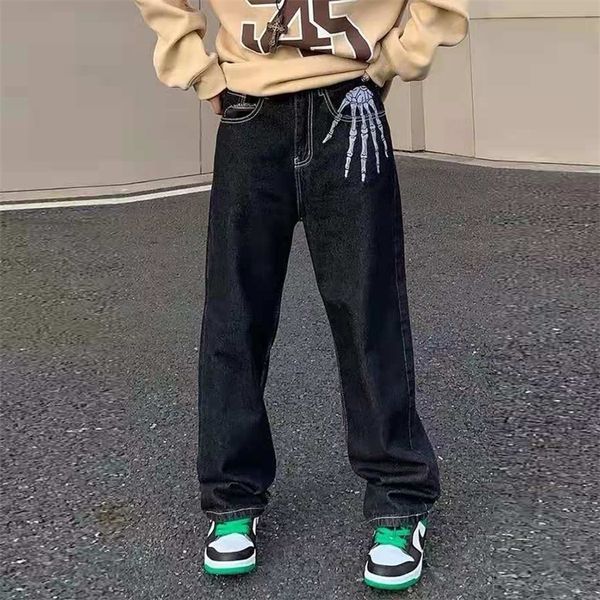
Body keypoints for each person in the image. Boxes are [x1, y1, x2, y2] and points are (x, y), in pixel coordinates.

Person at [133, 0, 468, 591]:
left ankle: (398, 498)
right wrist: (199, 69)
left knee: (368, 312)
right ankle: (231, 496)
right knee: (235, 315)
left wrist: (394, 58)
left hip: (351, 102)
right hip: (249, 108)